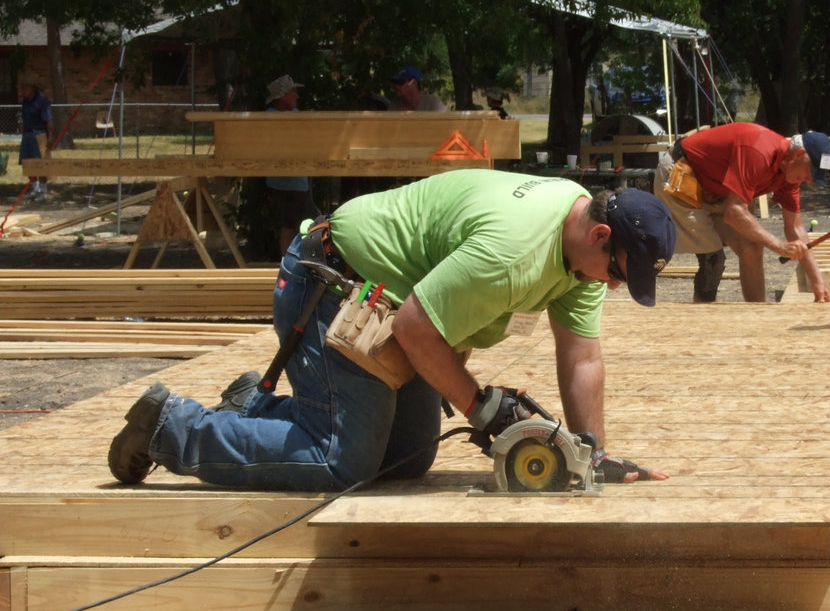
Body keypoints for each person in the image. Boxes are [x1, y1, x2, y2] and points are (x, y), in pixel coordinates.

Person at [107, 170, 677, 491]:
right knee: (340, 462)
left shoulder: (580, 256)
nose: (616, 288)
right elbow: (416, 329)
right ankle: (171, 426)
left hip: (392, 309)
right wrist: (481, 407)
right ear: (601, 233)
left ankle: (255, 411)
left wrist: (589, 455)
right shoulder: (514, 250)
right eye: (620, 275)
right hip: (335, 292)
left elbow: (582, 357)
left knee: (407, 459)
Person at [653, 122, 830, 303]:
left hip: (716, 189)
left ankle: (757, 314)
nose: (810, 180)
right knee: (713, 258)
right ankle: (704, 323)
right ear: (800, 154)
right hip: (681, 175)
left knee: (752, 247)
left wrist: (816, 281)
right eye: (811, 172)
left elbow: (795, 228)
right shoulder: (758, 150)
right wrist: (778, 246)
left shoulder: (790, 175)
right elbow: (734, 213)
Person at [264, 74, 320, 257]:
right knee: (313, 223)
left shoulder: (293, 115)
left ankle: (289, 263)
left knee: (291, 224)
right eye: (293, 92)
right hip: (287, 183)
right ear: (282, 96)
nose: (297, 96)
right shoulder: (269, 120)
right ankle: (304, 263)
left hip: (295, 181)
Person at [19, 80, 54, 201]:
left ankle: (44, 191)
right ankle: (35, 189)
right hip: (27, 135)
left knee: (41, 164)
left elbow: (48, 120)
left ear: (32, 88)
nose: (22, 90)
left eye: (25, 87)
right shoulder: (25, 102)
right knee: (27, 163)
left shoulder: (42, 101)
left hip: (39, 134)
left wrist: (50, 137)